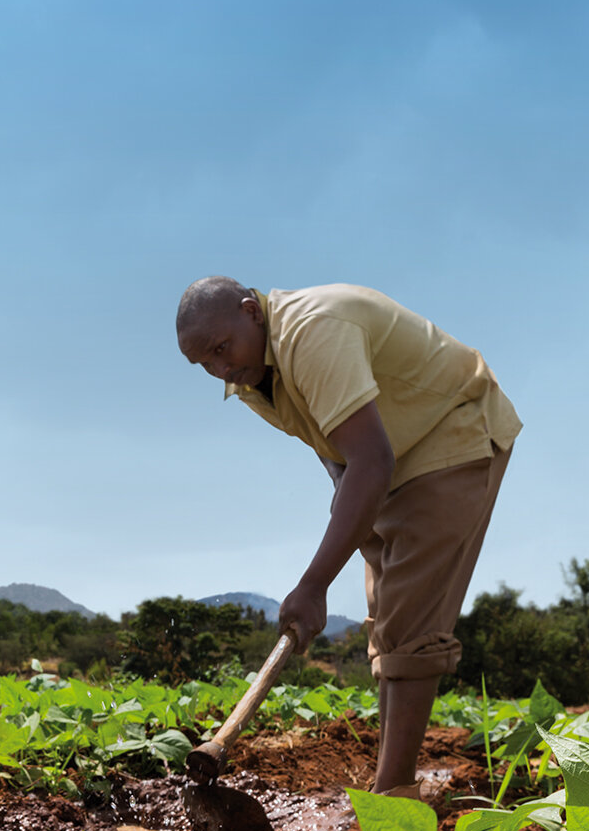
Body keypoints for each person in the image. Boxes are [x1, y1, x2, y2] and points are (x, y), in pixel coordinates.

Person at [176, 278, 521, 798]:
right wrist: (354, 515)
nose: (220, 369)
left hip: (450, 429)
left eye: (222, 349)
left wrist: (314, 585)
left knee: (409, 621)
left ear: (251, 312)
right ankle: (395, 785)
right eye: (204, 364)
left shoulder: (311, 332)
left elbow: (370, 459)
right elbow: (334, 447)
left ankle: (393, 797)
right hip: (391, 458)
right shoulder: (251, 378)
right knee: (385, 619)